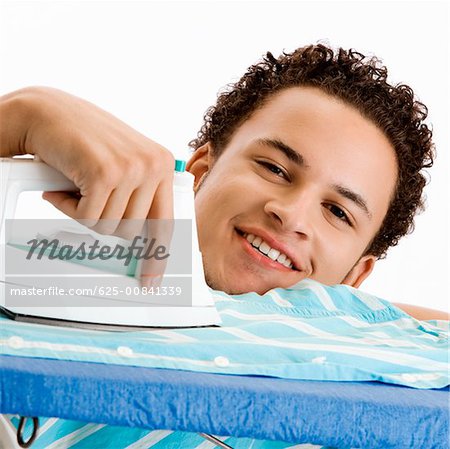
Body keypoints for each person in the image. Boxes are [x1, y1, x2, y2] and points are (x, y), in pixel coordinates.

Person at [0, 44, 447, 319]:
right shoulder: (45, 277)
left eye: (337, 211)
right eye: (274, 169)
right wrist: (23, 114)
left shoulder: (377, 358)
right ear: (199, 172)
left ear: (355, 279)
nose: (289, 214)